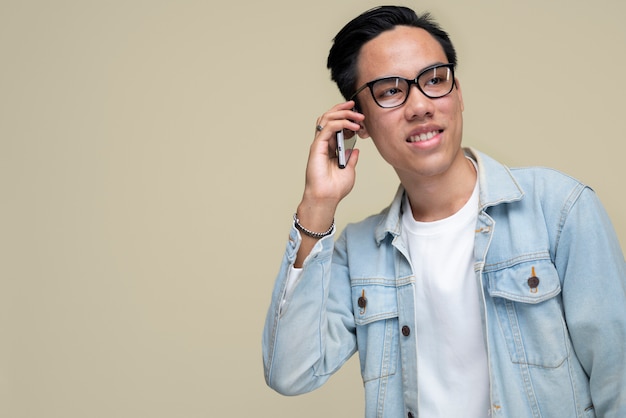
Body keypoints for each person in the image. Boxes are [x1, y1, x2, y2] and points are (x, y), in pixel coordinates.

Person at [262, 5, 626, 418]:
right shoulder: (359, 252)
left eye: (435, 80)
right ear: (357, 121)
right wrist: (317, 205)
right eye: (390, 90)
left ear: (458, 93)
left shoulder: (559, 210)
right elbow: (290, 372)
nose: (419, 106)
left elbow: (619, 377)